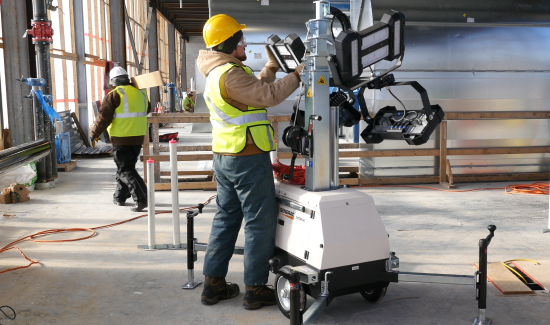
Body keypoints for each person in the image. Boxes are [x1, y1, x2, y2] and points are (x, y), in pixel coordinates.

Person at [198, 14, 303, 310]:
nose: (245, 43)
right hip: (246, 157)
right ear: (230, 43)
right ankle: (256, 288)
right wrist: (298, 74)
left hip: (226, 157)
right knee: (259, 221)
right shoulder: (229, 73)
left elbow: (253, 91)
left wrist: (271, 67)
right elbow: (267, 96)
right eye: (241, 39)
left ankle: (213, 284)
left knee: (226, 218)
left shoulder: (220, 72)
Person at [90, 67, 151, 212]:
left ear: (113, 81)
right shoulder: (141, 93)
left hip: (122, 138)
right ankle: (120, 196)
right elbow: (147, 109)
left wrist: (95, 133)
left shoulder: (114, 95)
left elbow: (103, 118)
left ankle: (142, 199)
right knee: (125, 168)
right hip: (138, 138)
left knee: (126, 170)